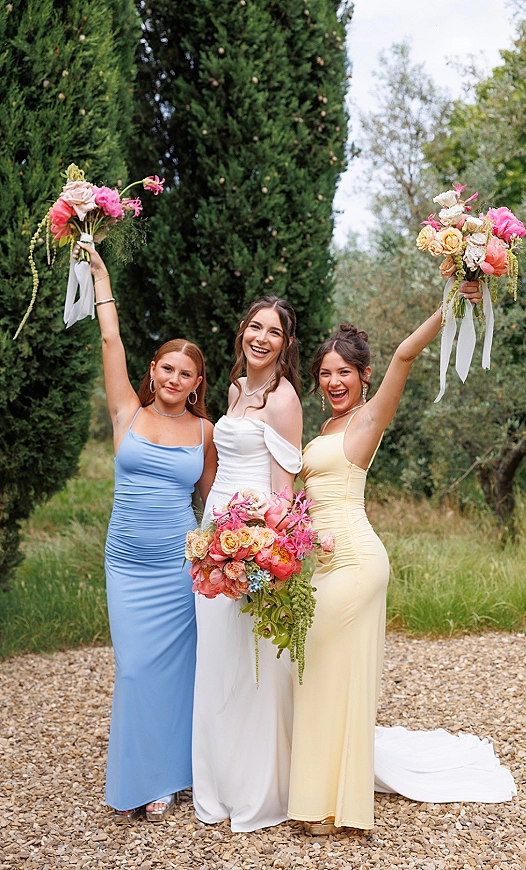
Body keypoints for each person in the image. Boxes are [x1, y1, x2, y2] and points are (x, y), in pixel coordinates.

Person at [288, 284, 516, 833]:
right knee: (318, 672)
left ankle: (334, 806)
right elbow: (308, 495)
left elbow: (405, 355)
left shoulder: (369, 419)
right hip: (323, 562)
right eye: (325, 373)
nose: (335, 381)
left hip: (357, 561)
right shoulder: (324, 429)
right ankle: (321, 794)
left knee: (325, 668)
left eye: (345, 372)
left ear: (363, 377)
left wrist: (452, 302)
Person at [75, 242, 217, 824]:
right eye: (166, 368)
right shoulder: (126, 413)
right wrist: (101, 276)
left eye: (185, 373)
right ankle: (140, 773)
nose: (173, 379)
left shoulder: (206, 430)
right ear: (153, 370)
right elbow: (111, 341)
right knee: (135, 667)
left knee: (177, 671)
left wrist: (246, 546)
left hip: (178, 567)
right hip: (129, 564)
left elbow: (214, 499)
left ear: (196, 381)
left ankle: (168, 777)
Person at [191, 295, 303, 832]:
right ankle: (217, 787)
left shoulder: (283, 400)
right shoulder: (236, 389)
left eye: (273, 332)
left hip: (252, 546)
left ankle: (258, 792)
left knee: (254, 667)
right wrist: (212, 539)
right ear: (243, 332)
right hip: (213, 540)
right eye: (254, 327)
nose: (261, 338)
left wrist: (256, 547)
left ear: (285, 344)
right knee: (216, 663)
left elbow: (284, 493)